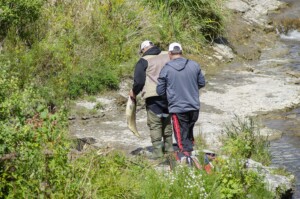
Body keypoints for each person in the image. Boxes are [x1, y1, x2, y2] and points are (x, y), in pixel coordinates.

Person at [156, 42, 205, 164]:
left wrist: (170, 97)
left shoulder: (166, 69)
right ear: (181, 52)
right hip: (194, 106)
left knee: (180, 136)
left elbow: (160, 90)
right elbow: (201, 83)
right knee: (188, 131)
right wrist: (190, 89)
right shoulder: (194, 65)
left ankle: (186, 161)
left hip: (177, 108)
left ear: (169, 54)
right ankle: (191, 154)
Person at [129, 40, 173, 160]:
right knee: (167, 120)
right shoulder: (167, 54)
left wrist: (134, 92)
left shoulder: (144, 61)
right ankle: (169, 148)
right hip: (169, 94)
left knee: (155, 123)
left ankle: (158, 152)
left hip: (153, 95)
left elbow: (139, 81)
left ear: (143, 50)